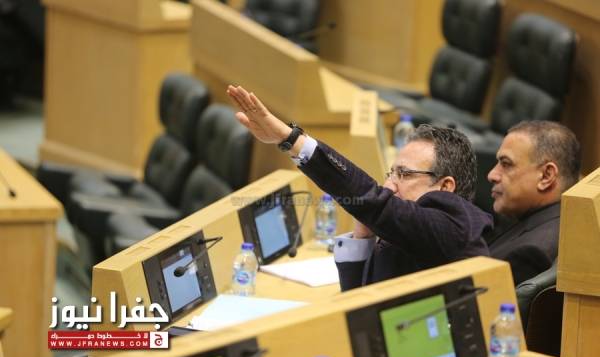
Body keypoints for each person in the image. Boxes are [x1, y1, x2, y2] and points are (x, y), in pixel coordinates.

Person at [227, 85, 493, 291]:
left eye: (404, 174)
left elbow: (373, 200)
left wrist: (291, 140)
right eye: (391, 173)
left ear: (445, 187)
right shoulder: (407, 233)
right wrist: (362, 236)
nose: (389, 185)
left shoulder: (454, 227)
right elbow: (357, 302)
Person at [486, 120, 581, 284]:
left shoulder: (529, 254)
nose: (492, 175)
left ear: (546, 176)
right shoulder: (566, 222)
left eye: (506, 164)